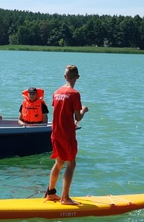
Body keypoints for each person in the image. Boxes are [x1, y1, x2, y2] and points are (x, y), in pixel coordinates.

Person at [45, 65, 89, 205]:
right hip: (67, 134)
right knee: (71, 163)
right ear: (77, 77)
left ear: (65, 77)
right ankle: (65, 198)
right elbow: (78, 117)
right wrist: (83, 110)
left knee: (59, 162)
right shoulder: (74, 94)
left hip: (55, 132)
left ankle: (51, 193)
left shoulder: (56, 92)